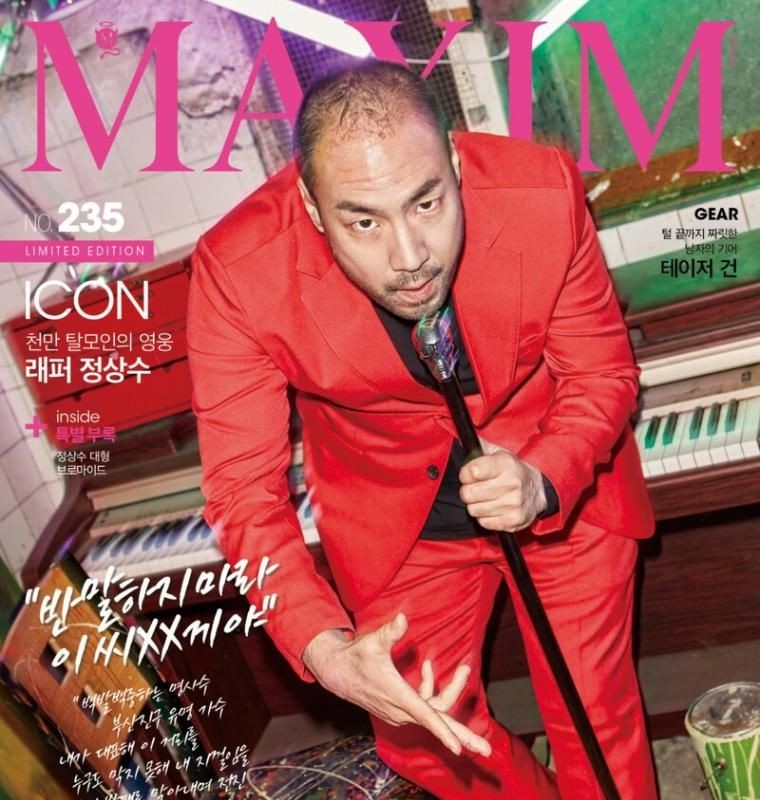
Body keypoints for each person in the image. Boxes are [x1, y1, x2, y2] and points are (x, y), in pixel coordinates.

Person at [187, 61, 659, 799]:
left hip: (553, 474)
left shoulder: (540, 190)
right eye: (363, 222)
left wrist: (542, 477)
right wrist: (325, 649)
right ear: (311, 207)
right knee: (425, 741)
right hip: (396, 521)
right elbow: (241, 492)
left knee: (594, 717)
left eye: (427, 203)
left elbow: (601, 373)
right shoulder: (237, 271)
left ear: (458, 166)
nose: (410, 259)